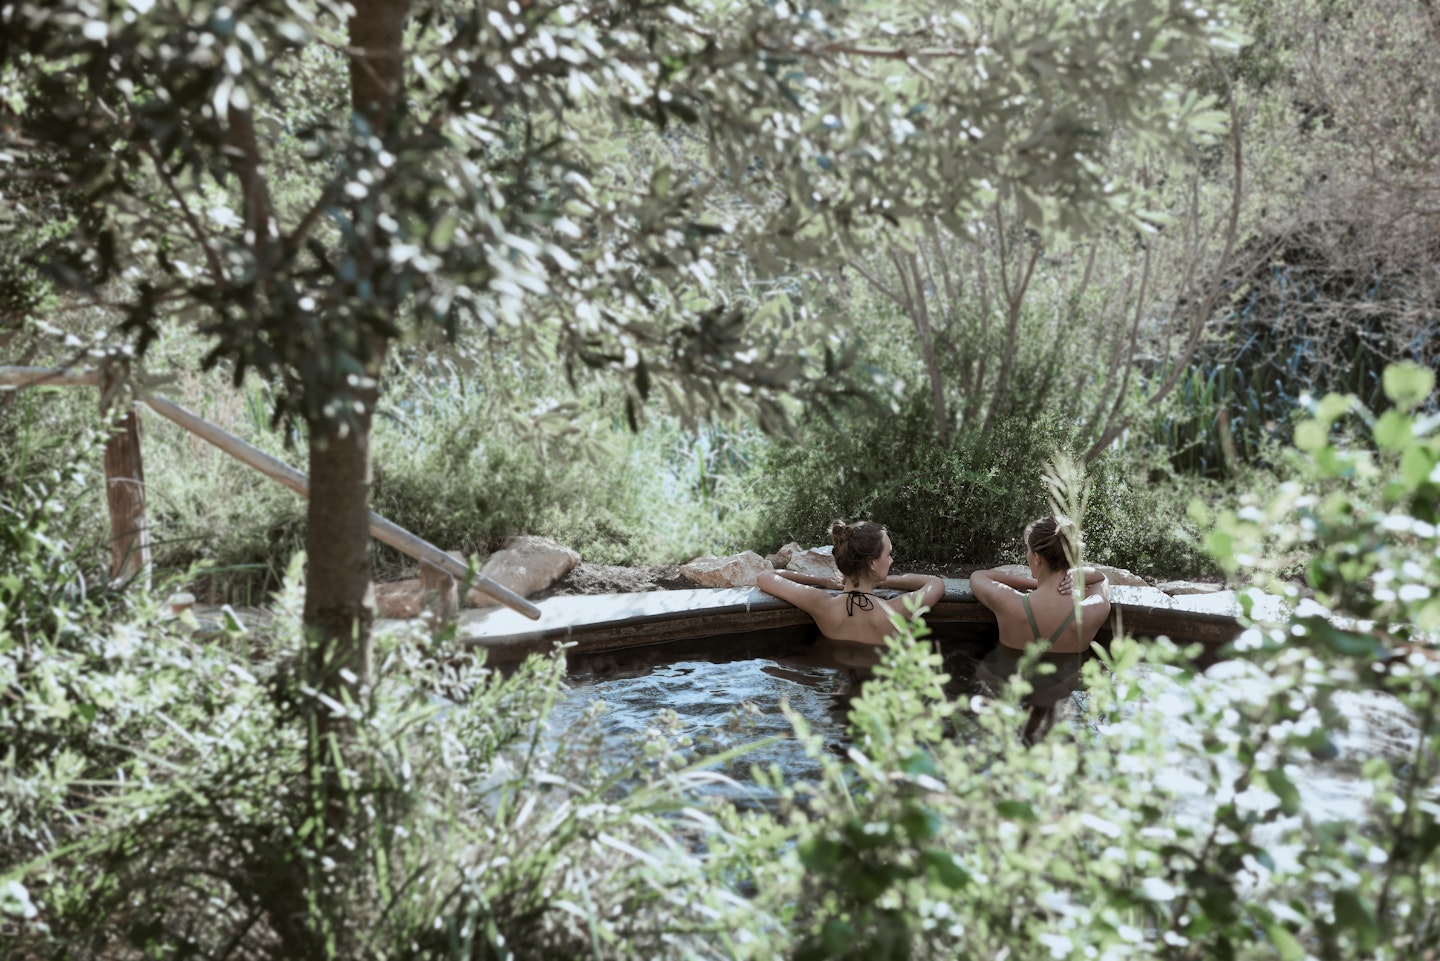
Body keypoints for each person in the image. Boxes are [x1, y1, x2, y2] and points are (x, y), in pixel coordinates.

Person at [969, 515, 1111, 742]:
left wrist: (1033, 583)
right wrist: (1075, 575)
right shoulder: (1092, 611)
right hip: (1064, 686)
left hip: (1013, 681)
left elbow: (978, 576)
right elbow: (1101, 580)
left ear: (1036, 557)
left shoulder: (1011, 604)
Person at [756, 520, 946, 646]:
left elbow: (766, 577)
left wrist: (820, 581)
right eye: (888, 555)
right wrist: (881, 582)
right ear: (872, 564)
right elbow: (935, 583)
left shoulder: (822, 605)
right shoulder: (895, 610)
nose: (891, 561)